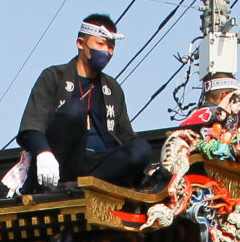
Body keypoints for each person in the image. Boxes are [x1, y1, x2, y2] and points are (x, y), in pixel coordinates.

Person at [12, 13, 158, 191]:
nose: (106, 52)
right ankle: (61, 183)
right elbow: (31, 129)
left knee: (141, 148)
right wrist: (44, 153)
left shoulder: (112, 88)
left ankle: (84, 186)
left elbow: (126, 137)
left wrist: (146, 168)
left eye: (111, 47)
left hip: (97, 166)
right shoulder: (53, 76)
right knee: (75, 108)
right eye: (100, 44)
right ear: (81, 43)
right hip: (60, 163)